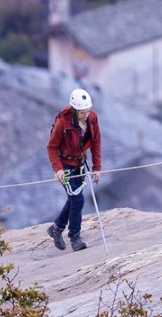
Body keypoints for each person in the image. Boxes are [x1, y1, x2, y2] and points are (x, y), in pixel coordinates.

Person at [46, 88, 101, 252]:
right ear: (75, 110)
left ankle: (56, 228)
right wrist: (58, 169)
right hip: (65, 165)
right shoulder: (62, 123)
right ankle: (75, 237)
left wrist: (97, 168)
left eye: (88, 111)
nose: (86, 115)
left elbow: (96, 142)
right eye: (82, 112)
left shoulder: (92, 118)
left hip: (80, 163)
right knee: (77, 199)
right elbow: (51, 147)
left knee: (73, 198)